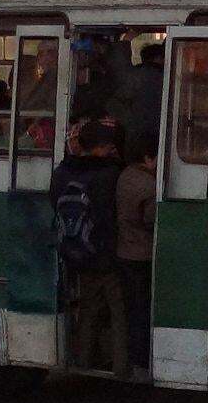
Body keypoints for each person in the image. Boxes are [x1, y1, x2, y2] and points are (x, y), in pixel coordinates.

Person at [51, 121, 124, 371]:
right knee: (118, 311)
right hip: (107, 252)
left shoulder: (62, 172)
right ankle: (121, 364)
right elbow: (111, 215)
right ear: (101, 147)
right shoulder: (110, 175)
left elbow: (55, 205)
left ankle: (83, 360)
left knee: (88, 309)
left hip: (76, 250)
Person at [114, 130, 159, 378]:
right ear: (148, 158)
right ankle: (142, 361)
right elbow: (151, 221)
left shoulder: (124, 176)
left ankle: (133, 360)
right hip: (142, 255)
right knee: (144, 309)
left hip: (124, 251)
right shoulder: (149, 186)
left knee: (132, 308)